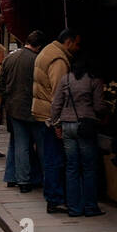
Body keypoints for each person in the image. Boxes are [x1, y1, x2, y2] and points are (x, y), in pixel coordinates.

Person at [50, 54, 107, 217]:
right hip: (86, 125)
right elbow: (99, 106)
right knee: (88, 167)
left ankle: (74, 208)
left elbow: (56, 104)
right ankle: (90, 206)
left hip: (67, 125)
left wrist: (55, 124)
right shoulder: (94, 81)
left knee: (72, 167)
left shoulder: (65, 79)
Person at [32, 29, 81, 213]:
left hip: (42, 111)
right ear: (68, 42)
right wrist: (58, 123)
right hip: (50, 116)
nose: (78, 47)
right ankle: (55, 198)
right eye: (76, 43)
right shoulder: (59, 60)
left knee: (50, 156)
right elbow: (58, 93)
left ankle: (54, 196)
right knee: (55, 158)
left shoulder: (47, 51)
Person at [0, 30, 46, 192]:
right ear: (39, 46)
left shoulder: (10, 58)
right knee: (41, 145)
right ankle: (43, 178)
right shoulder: (37, 60)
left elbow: (1, 84)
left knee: (20, 144)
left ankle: (21, 180)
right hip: (33, 108)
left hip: (13, 108)